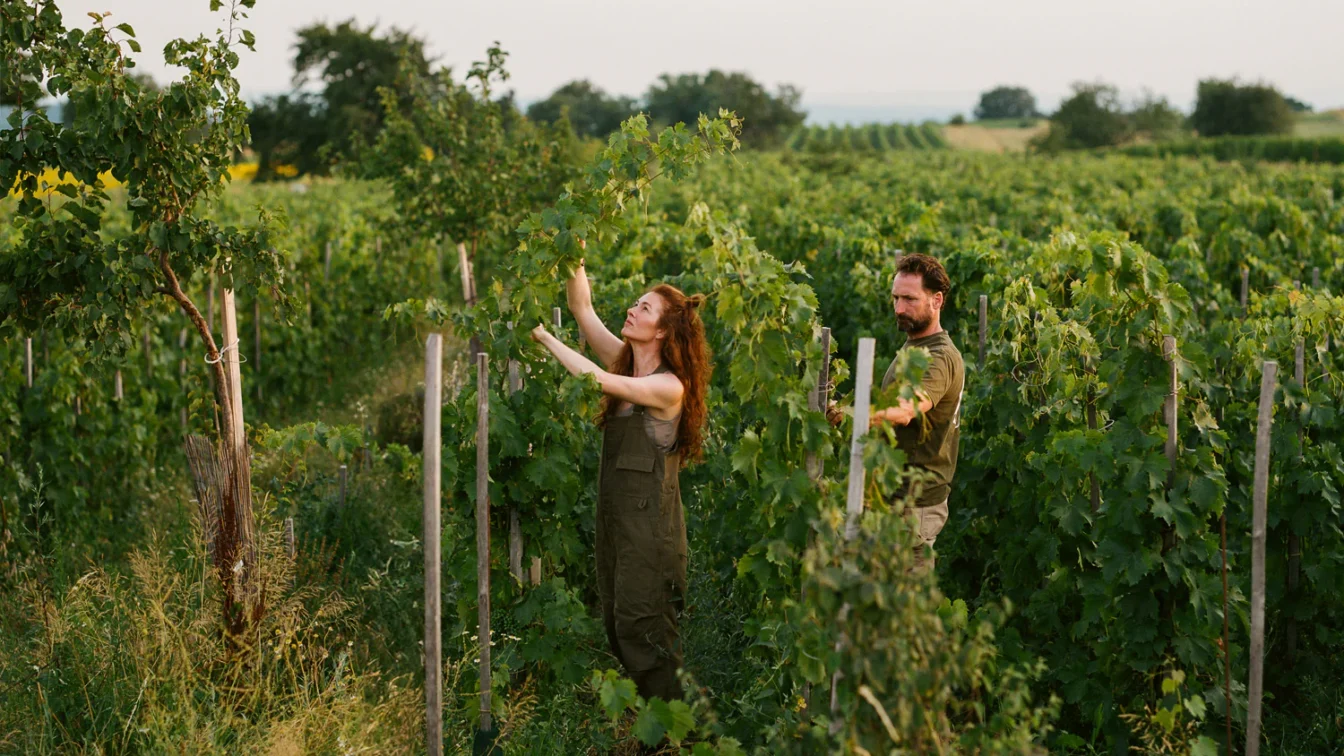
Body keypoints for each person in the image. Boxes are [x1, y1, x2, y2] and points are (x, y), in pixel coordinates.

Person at [529, 252, 710, 702]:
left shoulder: (669, 387)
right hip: (617, 525)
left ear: (664, 330)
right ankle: (658, 729)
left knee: (645, 630)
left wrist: (546, 340)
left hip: (651, 535)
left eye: (643, 308)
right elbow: (583, 309)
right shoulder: (625, 364)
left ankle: (685, 734)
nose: (631, 310)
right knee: (617, 623)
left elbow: (594, 379)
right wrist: (577, 257)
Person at [869, 253, 964, 574]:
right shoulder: (915, 346)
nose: (898, 308)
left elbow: (909, 409)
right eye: (895, 298)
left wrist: (861, 414)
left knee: (903, 611)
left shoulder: (940, 357)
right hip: (896, 498)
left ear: (937, 300)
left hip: (916, 506)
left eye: (909, 299)